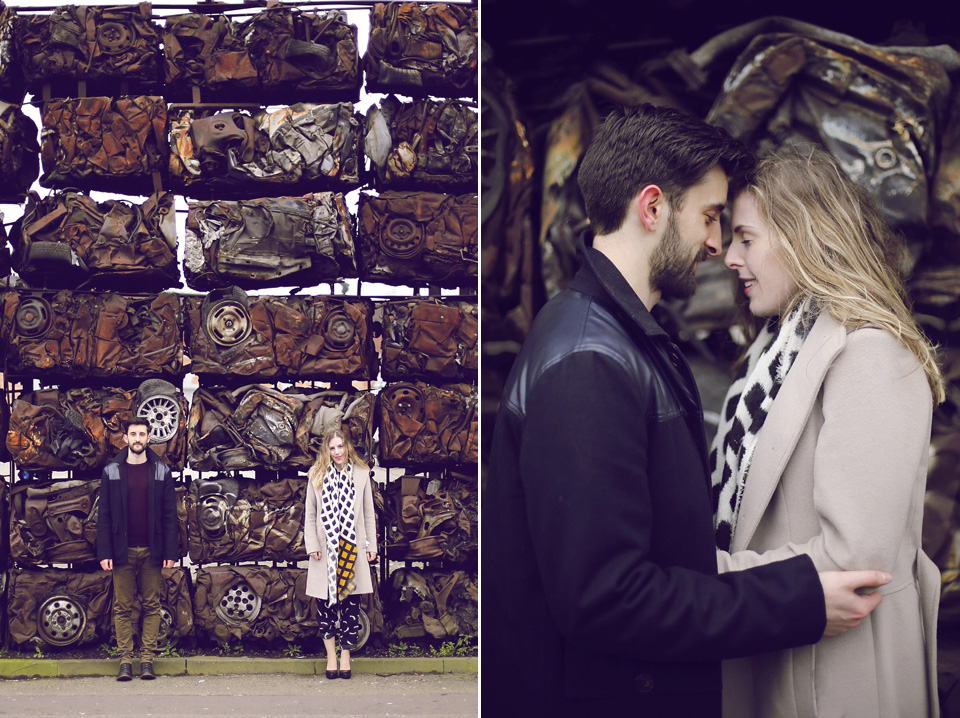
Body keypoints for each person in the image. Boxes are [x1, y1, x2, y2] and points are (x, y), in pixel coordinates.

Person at [483, 103, 892, 717]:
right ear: (652, 208)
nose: (715, 244)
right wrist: (797, 602)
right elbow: (608, 598)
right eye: (708, 216)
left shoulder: (614, 336)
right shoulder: (587, 358)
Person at [714, 145, 943, 718]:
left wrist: (697, 581)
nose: (728, 257)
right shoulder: (773, 354)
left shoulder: (871, 352)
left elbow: (854, 557)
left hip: (837, 679)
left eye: (746, 238)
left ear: (803, 234)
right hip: (777, 648)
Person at [97, 418, 179, 682]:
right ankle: (124, 661)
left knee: (152, 605)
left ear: (149, 437)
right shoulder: (111, 471)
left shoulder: (161, 471)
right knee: (122, 607)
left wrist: (170, 552)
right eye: (133, 434)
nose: (137, 439)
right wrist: (105, 552)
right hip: (122, 551)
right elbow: (104, 515)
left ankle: (146, 660)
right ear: (125, 438)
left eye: (142, 434)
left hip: (152, 550)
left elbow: (169, 515)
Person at [304, 428, 376, 680]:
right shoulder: (316, 474)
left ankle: (346, 656)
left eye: (340, 447)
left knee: (350, 606)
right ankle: (331, 657)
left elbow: (368, 514)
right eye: (332, 448)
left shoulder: (361, 474)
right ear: (327, 450)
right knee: (325, 607)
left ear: (348, 448)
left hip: (351, 547)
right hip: (325, 550)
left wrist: (371, 547)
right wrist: (311, 543)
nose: (337, 452)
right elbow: (310, 515)